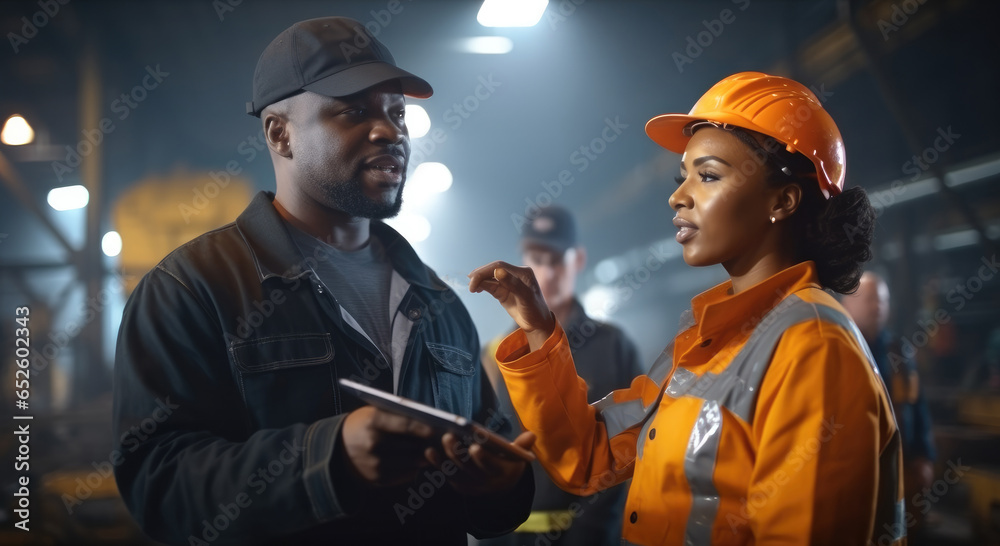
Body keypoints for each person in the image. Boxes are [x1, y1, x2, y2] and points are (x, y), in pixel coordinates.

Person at [112, 17, 533, 546]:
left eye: (396, 112)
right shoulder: (190, 290)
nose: (390, 131)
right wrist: (327, 459)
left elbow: (491, 482)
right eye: (354, 110)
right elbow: (159, 485)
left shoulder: (439, 303)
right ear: (279, 133)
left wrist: (504, 486)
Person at [469, 72, 907, 545]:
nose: (678, 196)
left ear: (782, 200)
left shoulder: (814, 347)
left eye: (709, 175)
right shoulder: (708, 341)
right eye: (684, 177)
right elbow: (590, 455)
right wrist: (538, 330)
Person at [479, 206, 643, 546]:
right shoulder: (497, 355)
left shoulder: (614, 346)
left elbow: (632, 447)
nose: (545, 273)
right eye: (535, 259)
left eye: (555, 260)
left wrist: (590, 535)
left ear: (578, 260)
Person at [842, 271, 936, 535]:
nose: (878, 306)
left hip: (902, 466)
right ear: (848, 303)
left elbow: (918, 406)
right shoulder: (842, 347)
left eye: (883, 300)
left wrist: (924, 455)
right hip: (858, 470)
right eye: (871, 299)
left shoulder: (900, 352)